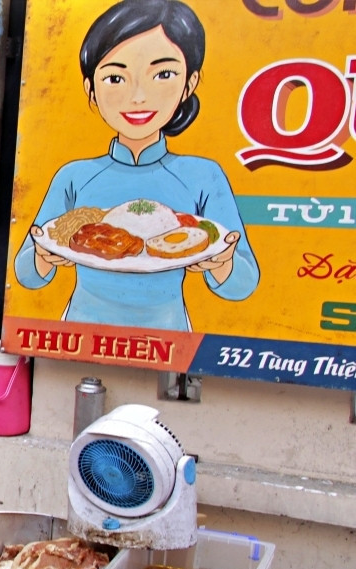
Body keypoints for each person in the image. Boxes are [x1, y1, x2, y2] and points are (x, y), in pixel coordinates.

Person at [14, 0, 258, 331]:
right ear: (91, 89)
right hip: (81, 332)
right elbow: (26, 274)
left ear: (190, 83)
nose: (138, 96)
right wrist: (44, 256)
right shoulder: (73, 176)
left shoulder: (204, 175)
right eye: (116, 78)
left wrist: (223, 263)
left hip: (169, 336)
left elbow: (244, 282)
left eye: (164, 74)